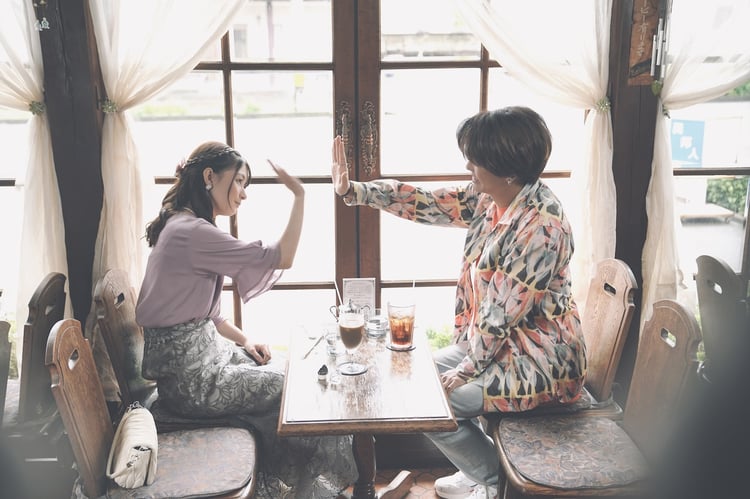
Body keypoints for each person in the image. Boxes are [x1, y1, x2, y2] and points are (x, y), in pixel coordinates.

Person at [331, 106, 587, 499]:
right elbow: (428, 202)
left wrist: (466, 370)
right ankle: (481, 468)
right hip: (495, 348)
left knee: (430, 404)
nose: (468, 165)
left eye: (475, 158)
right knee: (414, 382)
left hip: (540, 362)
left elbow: (498, 314)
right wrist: (355, 190)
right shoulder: (490, 198)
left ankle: (496, 483)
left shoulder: (542, 227)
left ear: (508, 169)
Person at [136, 141, 356, 498]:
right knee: (292, 389)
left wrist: (245, 340)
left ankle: (305, 487)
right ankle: (308, 489)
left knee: (290, 369)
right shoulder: (191, 233)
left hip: (200, 366)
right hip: (192, 385)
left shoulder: (182, 225)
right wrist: (300, 195)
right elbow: (281, 257)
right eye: (238, 181)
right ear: (209, 177)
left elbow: (208, 316)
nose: (243, 193)